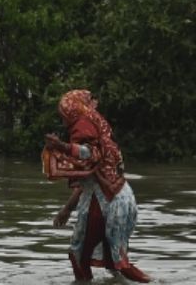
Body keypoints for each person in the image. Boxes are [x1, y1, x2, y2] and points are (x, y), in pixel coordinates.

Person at [44, 89, 151, 282]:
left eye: (65, 117)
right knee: (115, 261)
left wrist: (62, 146)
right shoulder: (107, 140)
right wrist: (67, 209)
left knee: (79, 254)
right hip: (122, 199)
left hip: (104, 205)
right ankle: (150, 282)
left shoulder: (86, 133)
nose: (64, 122)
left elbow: (89, 153)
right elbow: (90, 178)